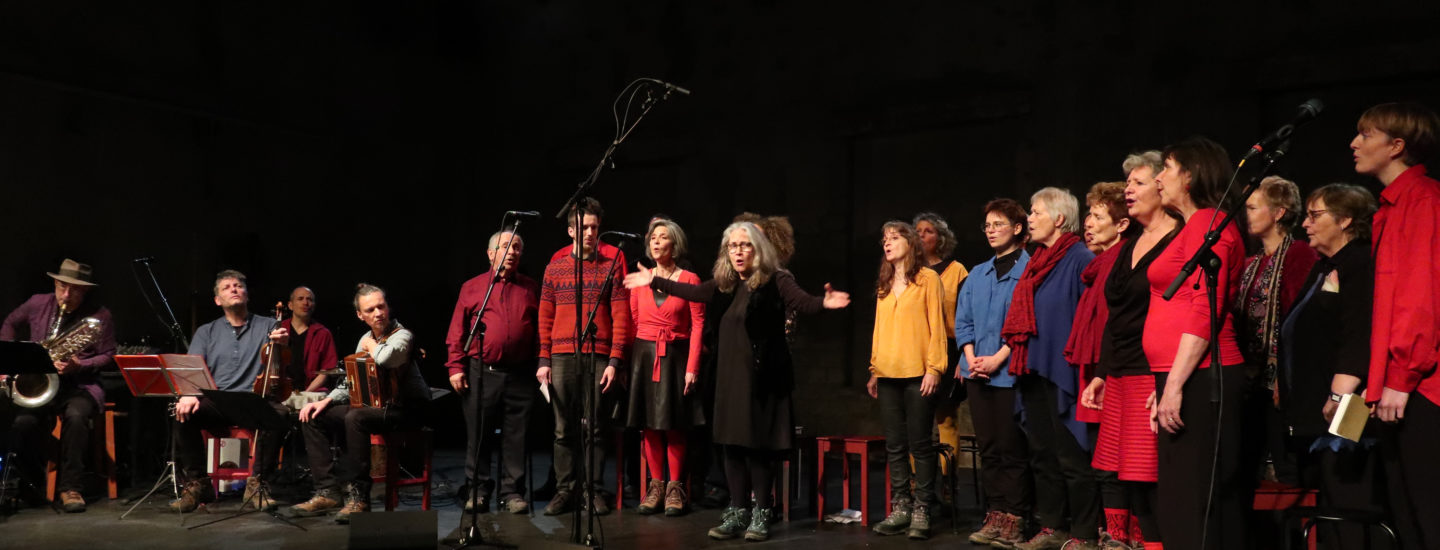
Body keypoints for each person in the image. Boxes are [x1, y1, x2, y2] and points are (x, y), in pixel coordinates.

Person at [624, 221, 849, 542]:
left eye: (745, 245)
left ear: (758, 248)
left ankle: (760, 511)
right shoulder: (724, 283)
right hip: (729, 379)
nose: (738, 251)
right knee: (730, 446)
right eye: (732, 246)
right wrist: (654, 280)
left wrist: (823, 303)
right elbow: (692, 291)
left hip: (761, 380)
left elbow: (802, 301)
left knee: (757, 447)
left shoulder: (775, 280)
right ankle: (738, 509)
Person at [1145, 137, 1247, 550]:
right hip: (1182, 374)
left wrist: (1174, 384)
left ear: (1190, 175)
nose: (1158, 176)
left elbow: (1205, 309)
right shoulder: (1195, 226)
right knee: (1179, 497)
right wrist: (1166, 382)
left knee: (1196, 499)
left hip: (1204, 376)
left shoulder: (1209, 221)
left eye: (1166, 167)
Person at [1353, 102, 1440, 549]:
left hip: (1422, 387)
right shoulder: (1390, 208)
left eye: (1366, 135)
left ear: (1396, 146)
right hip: (1397, 384)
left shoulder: (1423, 200)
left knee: (1427, 514)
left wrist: (1401, 377)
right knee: (1406, 516)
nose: (1355, 143)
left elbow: (1421, 300)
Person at [1082, 151, 1177, 549]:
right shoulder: (1128, 247)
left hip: (1151, 372)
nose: (1129, 190)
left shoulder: (1178, 239)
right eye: (1128, 183)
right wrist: (1102, 373)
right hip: (1120, 372)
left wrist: (1168, 379)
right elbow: (1115, 317)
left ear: (1161, 186)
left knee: (1148, 475)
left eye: (1137, 183)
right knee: (1123, 474)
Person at [1278, 184, 1380, 549]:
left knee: (1349, 493)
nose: (1305, 223)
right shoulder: (1327, 264)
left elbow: (1359, 332)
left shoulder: (1359, 262)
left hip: (1348, 404)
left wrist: (1340, 392)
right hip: (1321, 404)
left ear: (1346, 219)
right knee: (1331, 498)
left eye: (1315, 215)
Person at [283, 284, 431, 523]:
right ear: (360, 316)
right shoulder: (365, 339)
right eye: (370, 310)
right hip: (376, 407)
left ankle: (359, 497)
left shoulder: (403, 335)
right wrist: (326, 400)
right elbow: (352, 380)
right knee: (313, 415)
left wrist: (371, 346)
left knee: (356, 417)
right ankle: (328, 491)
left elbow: (385, 359)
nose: (377, 313)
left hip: (406, 409)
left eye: (381, 306)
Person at [1004, 187, 1098, 550]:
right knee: (1042, 455)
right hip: (1032, 368)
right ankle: (1053, 527)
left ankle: (1085, 533)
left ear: (1059, 219)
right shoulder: (1036, 261)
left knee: (1071, 455)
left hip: (1063, 372)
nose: (1030, 218)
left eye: (1036, 211)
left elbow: (1086, 317)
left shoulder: (1078, 258)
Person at [537, 197, 630, 516]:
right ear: (571, 230)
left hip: (599, 355)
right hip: (562, 355)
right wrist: (543, 359)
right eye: (584, 227)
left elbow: (621, 315)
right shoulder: (555, 268)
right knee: (563, 429)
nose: (590, 232)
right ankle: (565, 490)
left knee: (595, 427)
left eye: (594, 227)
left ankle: (593, 490)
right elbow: (545, 315)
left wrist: (615, 360)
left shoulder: (611, 266)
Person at [0, 259, 117, 513]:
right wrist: (7, 365)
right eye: (62, 287)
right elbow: (9, 323)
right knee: (23, 423)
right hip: (39, 383)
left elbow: (108, 354)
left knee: (76, 418)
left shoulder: (100, 315)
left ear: (84, 291)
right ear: (55, 283)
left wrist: (80, 365)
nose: (66, 295)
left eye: (74, 290)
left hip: (80, 385)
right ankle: (30, 485)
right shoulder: (37, 303)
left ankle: (70, 488)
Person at [169, 270, 290, 513]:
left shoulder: (269, 325)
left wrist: (282, 345)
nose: (233, 289)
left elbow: (282, 362)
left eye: (238, 286)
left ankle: (257, 484)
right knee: (180, 412)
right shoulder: (207, 331)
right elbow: (192, 369)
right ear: (217, 300)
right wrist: (188, 394)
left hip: (252, 400)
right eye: (226, 287)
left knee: (280, 413)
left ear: (246, 294)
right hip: (217, 400)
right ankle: (198, 483)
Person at [445, 228, 540, 515]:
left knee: (517, 436)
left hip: (520, 373)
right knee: (480, 434)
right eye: (506, 247)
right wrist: (455, 367)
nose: (512, 252)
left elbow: (539, 330)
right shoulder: (472, 287)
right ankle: (478, 490)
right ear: (490, 253)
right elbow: (456, 332)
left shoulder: (530, 287)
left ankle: (512, 493)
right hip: (481, 371)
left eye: (517, 248)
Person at [957, 199, 1035, 548]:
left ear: (1018, 229)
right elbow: (964, 323)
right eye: (987, 225)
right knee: (988, 448)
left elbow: (1026, 326)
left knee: (1011, 447)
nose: (990, 230)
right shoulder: (977, 273)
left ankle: (1016, 517)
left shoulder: (1029, 271)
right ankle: (995, 514)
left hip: (1009, 372)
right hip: (977, 372)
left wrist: (998, 359)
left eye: (998, 224)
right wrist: (972, 357)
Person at [1235, 176, 1317, 492]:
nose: (1246, 215)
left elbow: (1299, 320)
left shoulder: (1298, 254)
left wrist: (1285, 375)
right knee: (1246, 461)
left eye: (1254, 207)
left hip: (1279, 379)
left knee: (1286, 465)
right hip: (1248, 378)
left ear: (1279, 212)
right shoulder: (1251, 263)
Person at [867, 221, 947, 540]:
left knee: (920, 444)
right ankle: (900, 506)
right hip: (888, 373)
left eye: (894, 237)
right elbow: (879, 328)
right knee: (895, 445)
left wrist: (935, 368)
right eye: (884, 239)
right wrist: (874, 369)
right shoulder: (884, 281)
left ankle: (923, 508)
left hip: (918, 373)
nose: (887, 243)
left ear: (910, 243)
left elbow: (937, 326)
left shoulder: (928, 278)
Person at [1065, 180, 1132, 546]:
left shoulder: (1122, 262)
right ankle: (1109, 533)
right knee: (1099, 456)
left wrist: (1104, 373)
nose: (1088, 224)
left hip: (1115, 372)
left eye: (1098, 217)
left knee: (1117, 458)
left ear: (1121, 224)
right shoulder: (1097, 266)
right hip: (1095, 371)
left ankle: (1121, 536)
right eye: (1088, 216)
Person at [626, 219, 705, 516]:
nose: (656, 242)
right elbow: (633, 321)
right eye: (653, 238)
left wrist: (692, 366)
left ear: (675, 245)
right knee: (649, 424)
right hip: (645, 356)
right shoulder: (640, 279)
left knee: (674, 423)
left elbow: (698, 324)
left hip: (676, 355)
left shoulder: (689, 280)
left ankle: (675, 487)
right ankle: (655, 485)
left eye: (663, 238)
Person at [912, 212, 971, 491]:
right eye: (918, 231)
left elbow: (966, 314)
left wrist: (962, 356)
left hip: (948, 348)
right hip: (915, 350)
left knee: (946, 419)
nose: (922, 236)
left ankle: (948, 485)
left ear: (941, 238)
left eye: (928, 231)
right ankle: (917, 487)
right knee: (916, 420)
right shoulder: (910, 270)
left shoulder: (956, 270)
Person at [282, 286, 340, 393]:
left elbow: (325, 371)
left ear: (314, 305)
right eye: (300, 299)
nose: (305, 303)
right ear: (290, 305)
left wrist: (305, 394)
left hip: (312, 393)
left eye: (310, 299)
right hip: (281, 391)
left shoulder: (323, 333)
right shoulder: (279, 329)